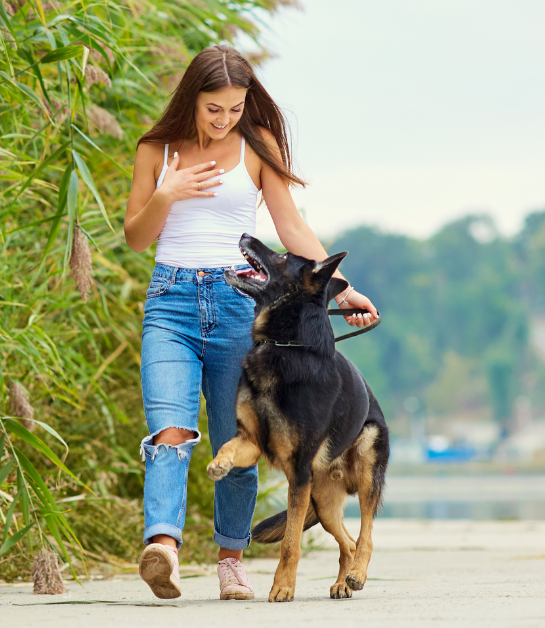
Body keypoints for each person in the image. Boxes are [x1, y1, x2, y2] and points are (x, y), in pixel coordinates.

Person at [123, 45, 380, 601]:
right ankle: (162, 547)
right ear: (192, 98)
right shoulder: (155, 150)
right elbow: (136, 238)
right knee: (169, 432)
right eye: (214, 108)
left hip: (239, 306)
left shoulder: (255, 149)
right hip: (170, 302)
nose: (224, 119)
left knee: (241, 439)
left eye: (235, 108)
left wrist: (344, 288)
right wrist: (166, 193)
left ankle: (231, 561)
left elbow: (290, 227)